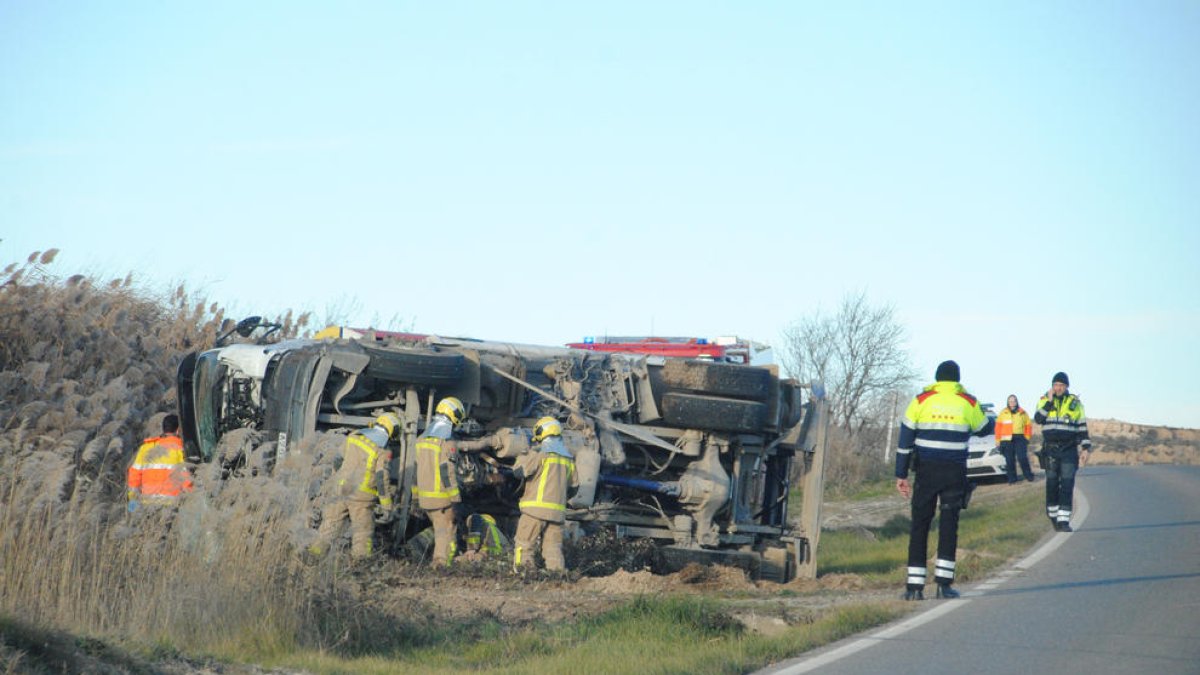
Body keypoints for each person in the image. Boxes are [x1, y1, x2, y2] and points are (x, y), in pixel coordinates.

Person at [895, 361, 993, 601]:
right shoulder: (968, 402)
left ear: (937, 378)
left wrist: (901, 474)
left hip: (926, 472)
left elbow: (905, 440)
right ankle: (944, 585)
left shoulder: (921, 400)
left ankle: (914, 588)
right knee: (949, 525)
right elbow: (982, 428)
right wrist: (989, 419)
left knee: (920, 524)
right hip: (954, 471)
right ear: (957, 379)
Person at [308, 413, 400, 559]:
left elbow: (338, 460)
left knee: (329, 527)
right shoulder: (382, 451)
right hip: (361, 498)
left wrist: (334, 482)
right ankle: (359, 564)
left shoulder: (354, 437)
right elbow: (382, 479)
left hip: (340, 490)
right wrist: (387, 506)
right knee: (362, 533)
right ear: (391, 430)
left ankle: (313, 556)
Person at [512, 416, 579, 573]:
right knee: (553, 548)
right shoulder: (568, 458)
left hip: (534, 510)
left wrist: (522, 456)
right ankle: (556, 576)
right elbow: (575, 487)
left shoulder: (539, 454)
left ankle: (524, 573)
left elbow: (518, 472)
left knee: (525, 543)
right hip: (557, 514)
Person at [1034, 372, 1091, 532]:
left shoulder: (1075, 403)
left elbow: (1082, 427)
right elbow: (1038, 419)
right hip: (1050, 449)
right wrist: (1049, 403)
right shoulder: (1044, 400)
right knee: (1052, 483)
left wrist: (1085, 448)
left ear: (1066, 387)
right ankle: (1052, 514)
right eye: (1055, 385)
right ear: (1052, 386)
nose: (1058, 388)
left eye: (1061, 385)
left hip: (1069, 449)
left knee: (1067, 483)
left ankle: (1063, 520)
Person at [413, 397, 467, 565]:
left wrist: (415, 497)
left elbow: (416, 470)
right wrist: (455, 498)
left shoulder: (421, 439)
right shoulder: (446, 441)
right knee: (446, 531)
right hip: (441, 498)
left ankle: (424, 555)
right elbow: (447, 471)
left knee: (438, 529)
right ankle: (442, 565)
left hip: (425, 498)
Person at [127, 413, 193, 511]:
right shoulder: (180, 449)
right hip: (171, 507)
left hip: (146, 505)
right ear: (178, 430)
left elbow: (134, 477)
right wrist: (191, 501)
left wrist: (132, 505)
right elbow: (186, 479)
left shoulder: (146, 448)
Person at [996, 394, 1035, 483]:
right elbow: (998, 428)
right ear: (1008, 402)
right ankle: (1012, 479)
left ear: (1017, 402)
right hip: (1006, 440)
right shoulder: (1003, 413)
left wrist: (1027, 438)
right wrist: (997, 440)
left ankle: (1029, 476)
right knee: (1009, 460)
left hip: (1020, 438)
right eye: (1010, 401)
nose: (1012, 403)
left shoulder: (1023, 412)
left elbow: (1028, 426)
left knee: (1022, 458)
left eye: (1014, 401)